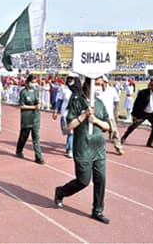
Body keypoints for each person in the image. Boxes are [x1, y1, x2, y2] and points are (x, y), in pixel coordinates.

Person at [54, 77, 112, 224]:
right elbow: (69, 127)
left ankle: (98, 210)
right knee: (83, 181)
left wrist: (96, 121)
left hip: (98, 148)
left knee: (101, 179)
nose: (99, 88)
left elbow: (107, 126)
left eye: (101, 85)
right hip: (83, 148)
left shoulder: (99, 103)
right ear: (87, 84)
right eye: (97, 85)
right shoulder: (77, 101)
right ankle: (61, 192)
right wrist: (83, 115)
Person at [121, 76, 153, 148]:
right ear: (150, 85)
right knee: (133, 126)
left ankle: (149, 143)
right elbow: (136, 104)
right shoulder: (143, 93)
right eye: (152, 85)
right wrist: (134, 115)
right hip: (142, 113)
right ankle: (123, 138)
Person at [15, 74, 44, 164]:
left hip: (35, 118)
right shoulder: (23, 92)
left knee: (36, 138)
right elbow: (22, 105)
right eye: (32, 82)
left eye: (35, 83)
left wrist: (39, 104)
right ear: (28, 82)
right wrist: (33, 107)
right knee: (24, 136)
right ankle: (19, 150)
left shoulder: (36, 92)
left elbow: (38, 103)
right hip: (26, 118)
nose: (34, 84)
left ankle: (38, 157)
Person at [95, 75, 124, 155]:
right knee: (96, 133)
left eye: (103, 83)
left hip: (109, 115)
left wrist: (116, 113)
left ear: (106, 82)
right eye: (99, 83)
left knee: (114, 132)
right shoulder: (96, 90)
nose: (101, 85)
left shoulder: (112, 90)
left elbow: (116, 101)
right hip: (98, 115)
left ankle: (118, 147)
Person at [52, 75, 76, 158]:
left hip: (74, 113)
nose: (70, 80)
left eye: (72, 78)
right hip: (65, 113)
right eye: (69, 78)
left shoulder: (78, 89)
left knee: (71, 132)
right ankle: (69, 146)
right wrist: (55, 111)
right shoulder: (64, 88)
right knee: (67, 131)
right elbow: (59, 100)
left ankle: (70, 149)